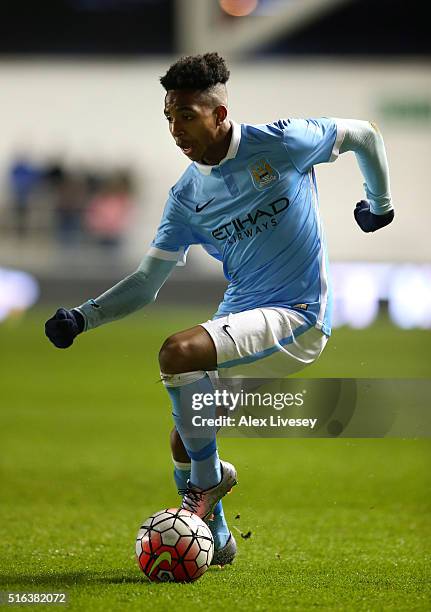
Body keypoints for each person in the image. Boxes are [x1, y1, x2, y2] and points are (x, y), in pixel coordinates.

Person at [45, 52, 394, 566]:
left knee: (177, 352)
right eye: (168, 116)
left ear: (219, 114)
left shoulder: (282, 142)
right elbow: (146, 283)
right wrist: (84, 316)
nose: (175, 128)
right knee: (185, 437)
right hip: (245, 316)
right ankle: (218, 537)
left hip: (298, 316)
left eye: (185, 114)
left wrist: (379, 204)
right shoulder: (186, 197)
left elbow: (364, 133)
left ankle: (205, 488)